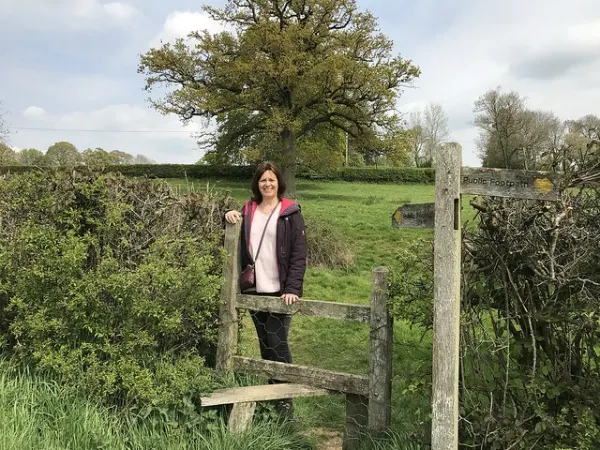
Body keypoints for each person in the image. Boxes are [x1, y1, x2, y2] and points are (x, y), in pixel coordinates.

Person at [224, 161, 307, 419]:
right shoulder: (248, 210)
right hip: (254, 289)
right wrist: (227, 215)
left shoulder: (290, 212)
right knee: (265, 345)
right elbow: (233, 234)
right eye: (263, 180)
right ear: (256, 184)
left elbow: (299, 252)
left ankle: (286, 406)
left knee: (278, 345)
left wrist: (293, 287)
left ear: (278, 183)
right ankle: (274, 401)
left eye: (271, 180)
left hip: (280, 291)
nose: (267, 184)